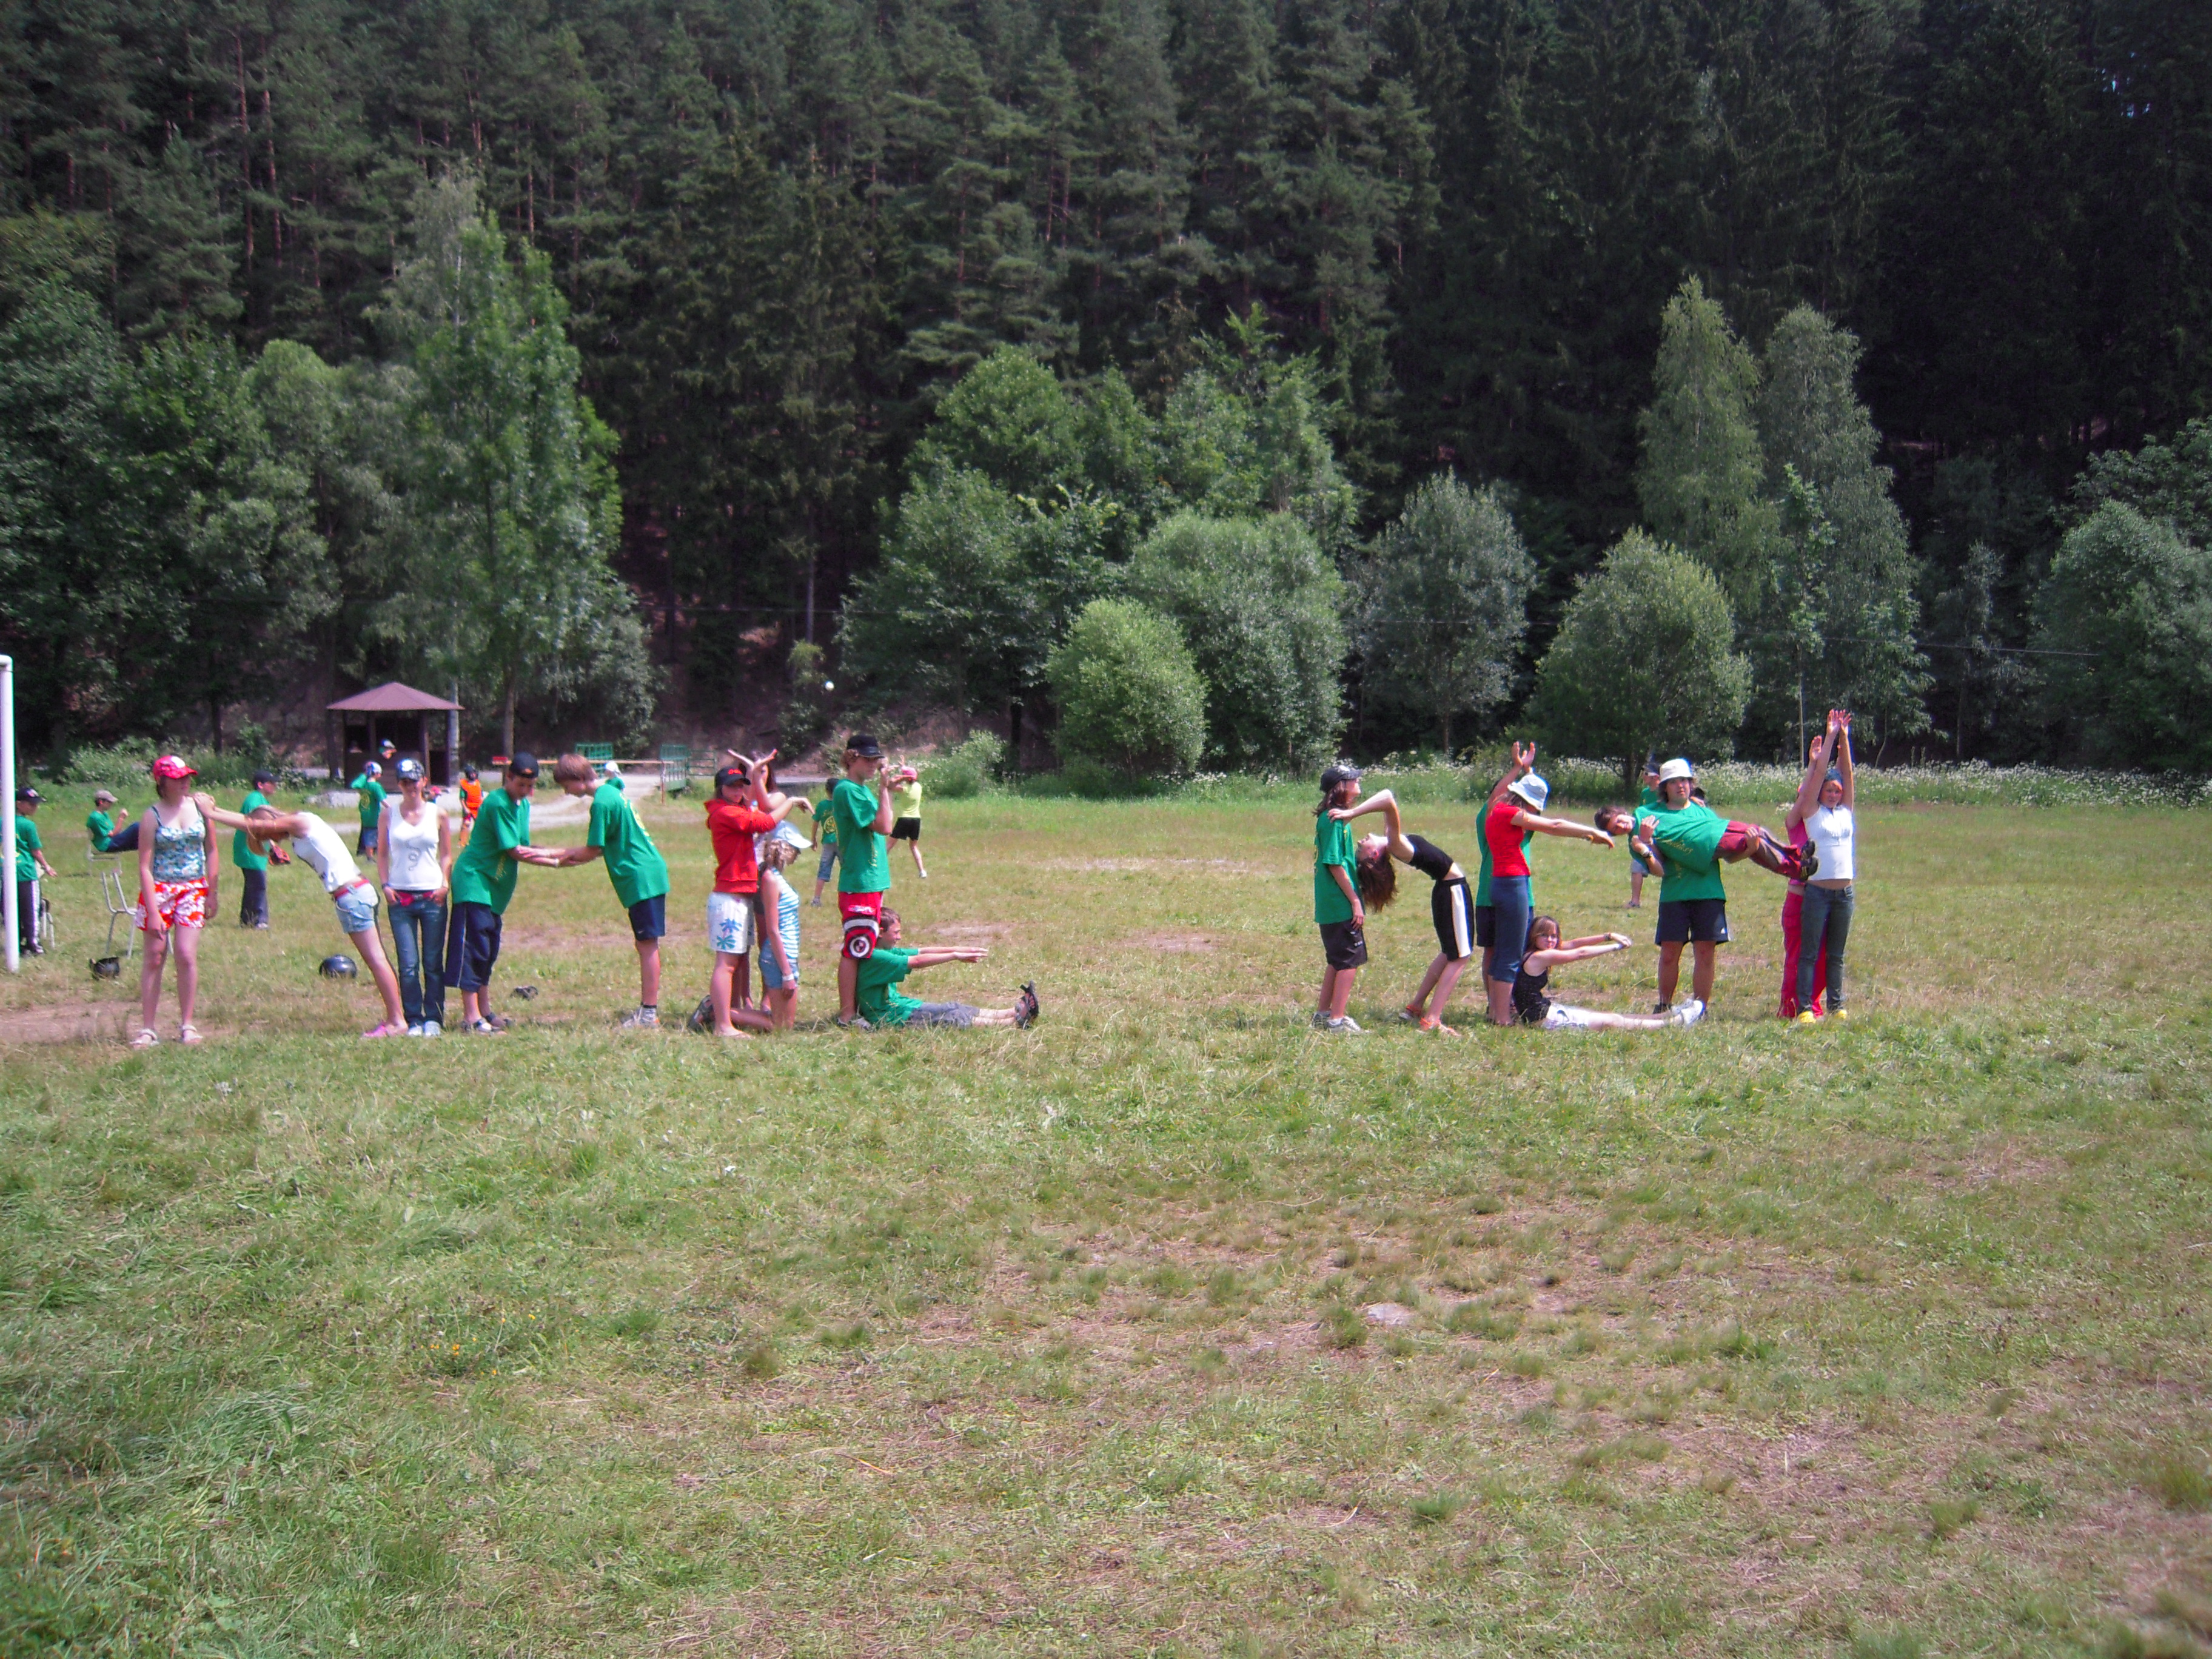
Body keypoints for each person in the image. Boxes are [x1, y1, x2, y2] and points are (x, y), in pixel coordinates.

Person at [196, 795, 411, 1037]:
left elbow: (254, 824)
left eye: (269, 834)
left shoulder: (301, 822)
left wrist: (211, 813)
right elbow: (254, 825)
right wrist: (217, 810)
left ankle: (396, 1021)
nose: (274, 840)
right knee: (377, 959)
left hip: (352, 896)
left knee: (376, 960)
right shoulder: (300, 827)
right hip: (354, 894)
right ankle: (397, 1018)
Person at [525, 753, 672, 1028]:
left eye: (566, 786)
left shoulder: (602, 803)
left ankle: (649, 1014)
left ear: (580, 778)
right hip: (644, 874)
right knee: (644, 944)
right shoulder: (610, 793)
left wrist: (549, 856)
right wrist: (554, 855)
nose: (566, 792)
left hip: (641, 877)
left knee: (647, 944)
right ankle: (647, 1010)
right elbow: (602, 847)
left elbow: (592, 851)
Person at [1325, 786, 1475, 1034]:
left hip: (1446, 890)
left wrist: (1353, 813)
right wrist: (1352, 813)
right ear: (1374, 855)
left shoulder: (1393, 842)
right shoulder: (1394, 843)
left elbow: (1386, 799)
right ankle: (1432, 1019)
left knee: (1450, 953)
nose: (1360, 842)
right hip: (1453, 891)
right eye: (1361, 849)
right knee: (1461, 957)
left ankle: (1415, 1007)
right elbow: (1387, 798)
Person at [1482, 766, 1615, 1027]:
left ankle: (1495, 1012)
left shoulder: (1496, 809)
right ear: (1527, 801)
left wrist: (1524, 770)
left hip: (1500, 883)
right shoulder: (1510, 813)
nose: (1535, 812)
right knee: (1511, 954)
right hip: (1513, 884)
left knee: (1504, 952)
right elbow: (1554, 826)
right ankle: (1503, 1017)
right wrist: (1593, 832)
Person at [442, 752, 538, 1034]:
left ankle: (485, 1012)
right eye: (521, 784)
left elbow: (525, 845)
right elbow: (514, 850)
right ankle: (471, 1019)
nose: (525, 791)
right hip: (475, 883)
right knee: (474, 950)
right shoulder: (497, 802)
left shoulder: (522, 805)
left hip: (494, 889)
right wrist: (559, 859)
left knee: (488, 951)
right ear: (508, 778)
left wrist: (559, 855)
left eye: (530, 786)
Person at [699, 759, 794, 1036]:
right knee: (726, 964)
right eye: (732, 786)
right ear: (720, 789)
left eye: (742, 785)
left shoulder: (734, 809)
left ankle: (723, 1014)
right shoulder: (726, 812)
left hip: (739, 897)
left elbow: (757, 805)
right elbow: (766, 821)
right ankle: (722, 1024)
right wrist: (792, 801)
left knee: (736, 961)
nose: (738, 790)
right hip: (729, 898)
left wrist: (754, 772)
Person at [1634, 758, 1734, 1016]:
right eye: (1674, 782)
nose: (1681, 786)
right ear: (1664, 787)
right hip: (1675, 894)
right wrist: (1646, 842)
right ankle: (1664, 1006)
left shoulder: (1706, 814)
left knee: (1706, 953)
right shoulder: (1648, 815)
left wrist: (1751, 846)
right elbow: (1655, 867)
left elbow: (1726, 851)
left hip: (1708, 892)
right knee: (1670, 953)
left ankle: (1700, 1009)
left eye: (1685, 781)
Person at [132, 757, 216, 1045]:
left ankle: (188, 1025)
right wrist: (153, 911)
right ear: (162, 782)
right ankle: (148, 1028)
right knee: (155, 957)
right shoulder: (152, 816)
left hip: (193, 888)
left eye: (187, 776)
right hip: (160, 889)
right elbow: (144, 866)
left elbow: (212, 850)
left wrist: (212, 891)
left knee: (186, 954)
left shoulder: (201, 809)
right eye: (178, 778)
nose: (185, 782)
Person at [853, 909, 1039, 1029]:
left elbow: (922, 951)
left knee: (953, 1007)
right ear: (881, 933)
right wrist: (955, 956)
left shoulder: (885, 950)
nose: (899, 937)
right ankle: (1015, 1022)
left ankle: (1010, 1012)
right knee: (951, 1018)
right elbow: (917, 961)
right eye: (896, 933)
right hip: (891, 1017)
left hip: (903, 1006)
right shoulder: (876, 957)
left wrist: (957, 949)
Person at [831, 734, 907, 1027]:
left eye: (877, 760)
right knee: (855, 949)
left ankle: (861, 1006)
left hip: (871, 882)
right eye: (868, 759)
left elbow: (882, 821)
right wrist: (884, 789)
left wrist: (886, 791)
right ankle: (847, 1015)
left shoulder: (860, 790)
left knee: (866, 945)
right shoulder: (848, 790)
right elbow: (885, 826)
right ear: (852, 758)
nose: (874, 764)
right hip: (859, 884)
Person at [1511, 916, 1703, 1030]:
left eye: (1554, 936)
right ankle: (1677, 1022)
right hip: (1543, 1019)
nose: (1551, 940)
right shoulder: (1539, 957)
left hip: (1544, 1012)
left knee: (1612, 1016)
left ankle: (1669, 1015)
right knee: (1612, 1022)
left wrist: (1608, 936)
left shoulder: (1533, 953)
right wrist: (1616, 947)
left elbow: (1574, 944)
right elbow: (1580, 953)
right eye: (1544, 935)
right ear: (1534, 936)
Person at [1791, 711, 1857, 1024]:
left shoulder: (1845, 812)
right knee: (1810, 952)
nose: (1833, 794)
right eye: (1829, 790)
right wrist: (1830, 736)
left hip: (1844, 894)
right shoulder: (1811, 812)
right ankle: (1805, 1008)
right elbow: (1818, 775)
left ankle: (1836, 1005)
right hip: (1817, 893)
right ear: (1820, 793)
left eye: (1837, 791)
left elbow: (1848, 774)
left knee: (1836, 955)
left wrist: (1845, 737)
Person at [378, 758, 452, 1035]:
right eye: (405, 782)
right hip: (400, 898)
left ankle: (434, 1017)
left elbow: (446, 854)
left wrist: (445, 884)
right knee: (408, 964)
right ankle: (414, 1018)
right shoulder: (388, 815)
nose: (410, 787)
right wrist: (385, 885)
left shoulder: (438, 814)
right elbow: (382, 853)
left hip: (432, 896)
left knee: (432, 961)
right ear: (399, 784)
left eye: (415, 781)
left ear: (424, 782)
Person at [1312, 762, 1369, 1034]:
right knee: (1349, 961)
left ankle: (1323, 1014)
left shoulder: (1333, 817)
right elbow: (1334, 864)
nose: (1358, 782)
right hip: (1339, 903)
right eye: (1353, 779)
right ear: (1340, 787)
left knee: (1336, 960)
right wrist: (1355, 901)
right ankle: (1337, 1019)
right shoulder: (1335, 820)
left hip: (1330, 904)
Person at [1777, 732, 1830, 1019]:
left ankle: (1812, 1003)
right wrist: (1813, 765)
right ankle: (1790, 1007)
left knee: (1821, 954)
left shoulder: (1827, 823)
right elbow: (1799, 805)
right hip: (1799, 898)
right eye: (1803, 796)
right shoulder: (1795, 823)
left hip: (1824, 896)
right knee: (1797, 954)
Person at [756, 825, 808, 1030]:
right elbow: (773, 929)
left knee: (785, 1025)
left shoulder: (777, 876)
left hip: (787, 953)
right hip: (779, 957)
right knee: (781, 1027)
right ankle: (718, 1012)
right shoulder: (770, 879)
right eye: (796, 849)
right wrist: (787, 973)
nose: (798, 854)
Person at [14, 786, 55, 956]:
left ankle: (16, 942)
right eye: (31, 804)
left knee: (11, 909)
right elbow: (35, 851)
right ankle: (33, 943)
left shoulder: (3, 822)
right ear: (19, 804)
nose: (35, 807)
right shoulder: (28, 825)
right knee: (31, 909)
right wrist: (47, 866)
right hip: (25, 872)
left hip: (6, 871)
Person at [234, 768, 276, 928]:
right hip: (250, 849)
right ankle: (259, 920)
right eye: (271, 783)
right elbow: (254, 824)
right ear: (260, 785)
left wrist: (272, 845)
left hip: (257, 849)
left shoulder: (262, 800)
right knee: (259, 884)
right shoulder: (254, 800)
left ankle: (247, 919)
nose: (275, 786)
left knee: (252, 884)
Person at [891, 764, 927, 879]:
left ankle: (877, 865)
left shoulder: (903, 788)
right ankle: (922, 871)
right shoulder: (918, 787)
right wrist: (904, 767)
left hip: (904, 819)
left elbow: (890, 785)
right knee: (914, 846)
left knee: (890, 845)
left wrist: (898, 777)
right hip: (916, 819)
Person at [809, 781, 839, 905]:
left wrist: (813, 838)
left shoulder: (822, 805)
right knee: (847, 869)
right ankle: (849, 895)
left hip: (828, 842)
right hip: (842, 841)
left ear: (826, 790)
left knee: (823, 870)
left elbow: (815, 822)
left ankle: (816, 899)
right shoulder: (842, 804)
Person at [349, 760, 387, 856]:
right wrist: (392, 809)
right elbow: (383, 800)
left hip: (365, 815)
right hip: (374, 815)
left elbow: (355, 785)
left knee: (368, 836)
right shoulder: (376, 786)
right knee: (377, 835)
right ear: (377, 774)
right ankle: (376, 854)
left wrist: (364, 776)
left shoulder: (364, 785)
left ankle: (369, 856)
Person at [86, 788, 121, 855]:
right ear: (101, 802)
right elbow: (112, 834)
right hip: (106, 845)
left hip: (112, 841)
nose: (112, 804)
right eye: (109, 802)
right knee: (135, 828)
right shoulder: (96, 817)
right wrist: (121, 818)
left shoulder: (104, 814)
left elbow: (114, 830)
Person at [458, 765, 484, 830]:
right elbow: (462, 799)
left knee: (479, 824)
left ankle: (477, 836)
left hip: (477, 808)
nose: (473, 775)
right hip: (468, 807)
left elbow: (481, 796)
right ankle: (463, 836)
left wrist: (482, 805)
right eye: (471, 774)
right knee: (466, 824)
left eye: (474, 773)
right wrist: (465, 808)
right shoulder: (464, 785)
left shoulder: (478, 783)